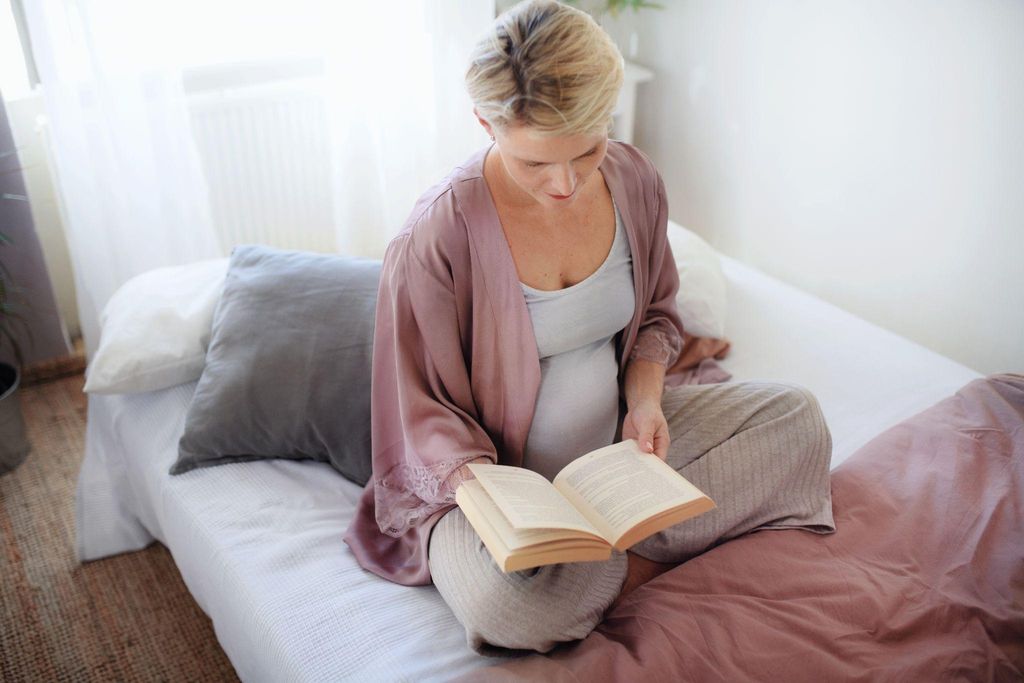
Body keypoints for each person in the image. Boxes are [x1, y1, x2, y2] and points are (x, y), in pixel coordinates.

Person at [344, 0, 835, 654]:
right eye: (534, 163)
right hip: (493, 484)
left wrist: (647, 401)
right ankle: (643, 560)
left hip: (616, 454)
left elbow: (659, 313)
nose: (566, 183)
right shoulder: (436, 234)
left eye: (587, 150)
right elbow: (418, 410)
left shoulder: (633, 180)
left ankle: (599, 565)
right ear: (485, 123)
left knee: (797, 420)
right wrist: (501, 501)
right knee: (506, 607)